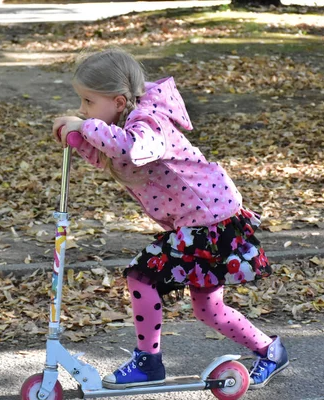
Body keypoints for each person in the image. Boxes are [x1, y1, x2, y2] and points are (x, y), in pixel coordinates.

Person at [52, 48, 289, 390]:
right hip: (202, 221)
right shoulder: (123, 122)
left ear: (119, 101)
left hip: (210, 222)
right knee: (208, 308)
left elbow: (133, 149)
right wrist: (78, 137)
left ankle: (148, 362)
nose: (83, 110)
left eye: (88, 102)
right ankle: (271, 350)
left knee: (141, 275)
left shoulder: (149, 123)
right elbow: (117, 156)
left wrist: (86, 127)